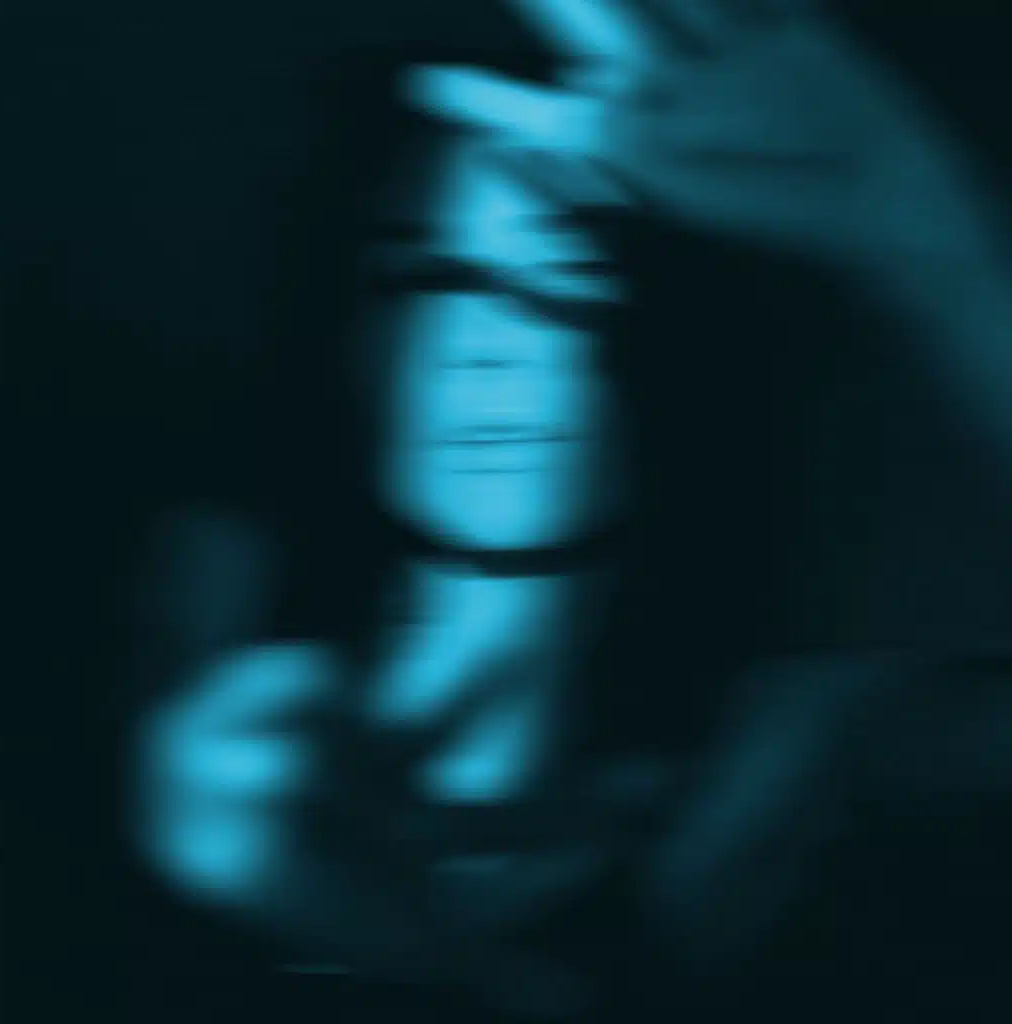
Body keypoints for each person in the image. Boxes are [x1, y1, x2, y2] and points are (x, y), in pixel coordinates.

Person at [133, 3, 1012, 1021]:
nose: (490, 340)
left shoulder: (821, 753)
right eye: (431, 276)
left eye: (569, 276)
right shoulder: (203, 683)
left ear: (666, 351)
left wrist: (928, 231)